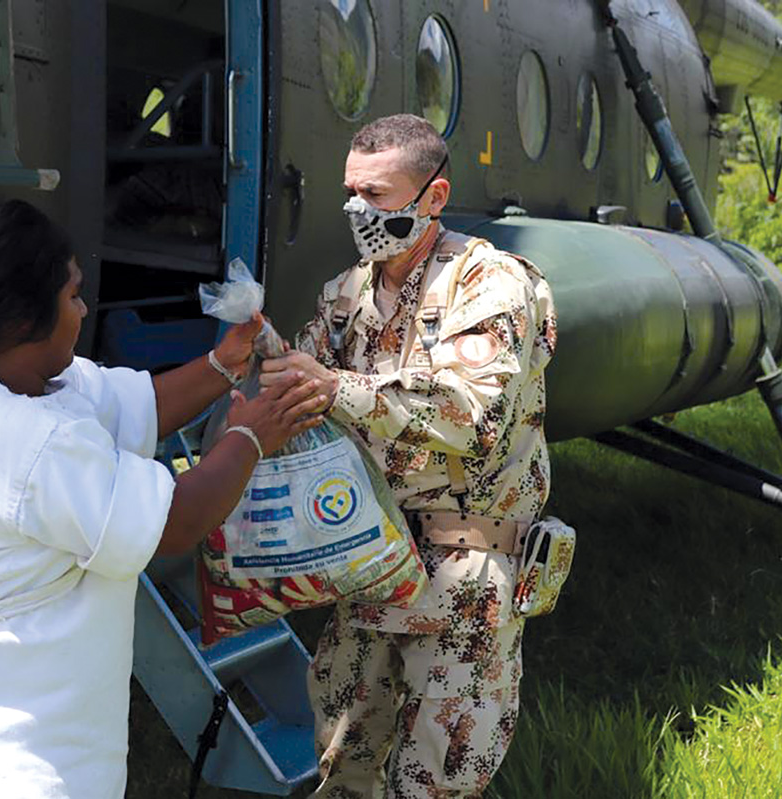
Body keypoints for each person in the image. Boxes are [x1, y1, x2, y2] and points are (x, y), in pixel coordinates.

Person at [0, 199, 328, 798]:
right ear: (20, 322)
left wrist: (224, 363)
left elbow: (135, 404)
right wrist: (252, 435)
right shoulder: (18, 438)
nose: (84, 308)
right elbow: (174, 522)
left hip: (32, 732)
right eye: (72, 296)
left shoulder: (15, 382)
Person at [260, 114, 557, 797]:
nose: (359, 211)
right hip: (370, 565)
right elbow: (307, 399)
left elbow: (466, 413)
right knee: (341, 767)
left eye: (379, 195)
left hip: (464, 575)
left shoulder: (490, 287)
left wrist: (334, 386)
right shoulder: (346, 297)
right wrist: (268, 362)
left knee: (436, 781)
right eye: (350, 192)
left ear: (434, 195)